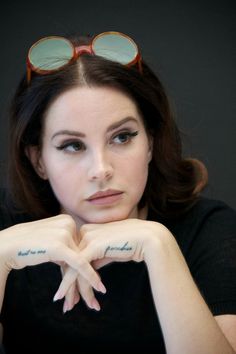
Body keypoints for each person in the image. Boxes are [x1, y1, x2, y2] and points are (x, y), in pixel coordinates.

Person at [0, 31, 235, 354]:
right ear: (39, 160)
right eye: (72, 145)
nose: (101, 169)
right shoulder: (6, 226)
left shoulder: (210, 231)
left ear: (150, 142)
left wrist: (160, 247)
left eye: (122, 137)